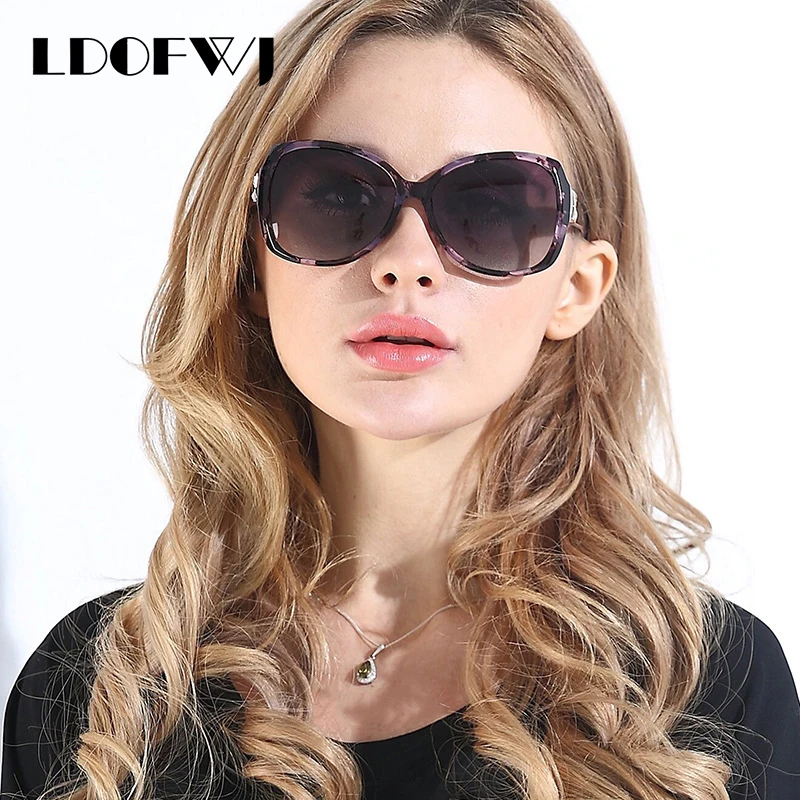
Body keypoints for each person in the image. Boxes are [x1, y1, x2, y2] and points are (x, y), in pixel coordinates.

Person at [3, 0, 800, 798]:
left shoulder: (704, 689)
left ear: (577, 287)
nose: (407, 262)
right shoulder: (98, 699)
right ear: (251, 263)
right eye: (337, 196)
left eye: (491, 208)